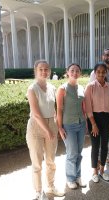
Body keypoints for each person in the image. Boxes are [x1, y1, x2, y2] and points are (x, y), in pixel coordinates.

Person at [26, 60, 65, 200]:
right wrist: (48, 130)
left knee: (51, 161)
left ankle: (51, 186)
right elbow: (36, 114)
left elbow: (54, 110)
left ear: (49, 71)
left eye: (46, 69)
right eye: (41, 69)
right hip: (36, 127)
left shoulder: (52, 88)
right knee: (36, 162)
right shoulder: (32, 89)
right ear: (35, 71)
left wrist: (56, 127)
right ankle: (38, 191)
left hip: (51, 124)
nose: (44, 71)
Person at [84, 63, 109, 183]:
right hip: (94, 118)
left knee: (105, 145)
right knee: (95, 146)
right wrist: (93, 124)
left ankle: (102, 170)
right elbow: (88, 107)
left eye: (103, 72)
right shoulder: (90, 87)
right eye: (98, 71)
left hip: (107, 118)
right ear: (95, 73)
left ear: (106, 73)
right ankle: (94, 172)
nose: (101, 74)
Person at [56, 63, 87, 189]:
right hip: (68, 125)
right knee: (72, 153)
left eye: (77, 71)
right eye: (72, 70)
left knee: (79, 153)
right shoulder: (62, 89)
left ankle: (78, 176)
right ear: (67, 72)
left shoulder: (81, 88)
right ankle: (70, 178)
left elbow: (83, 107)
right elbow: (59, 109)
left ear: (80, 73)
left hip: (81, 124)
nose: (75, 73)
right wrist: (60, 127)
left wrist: (85, 123)